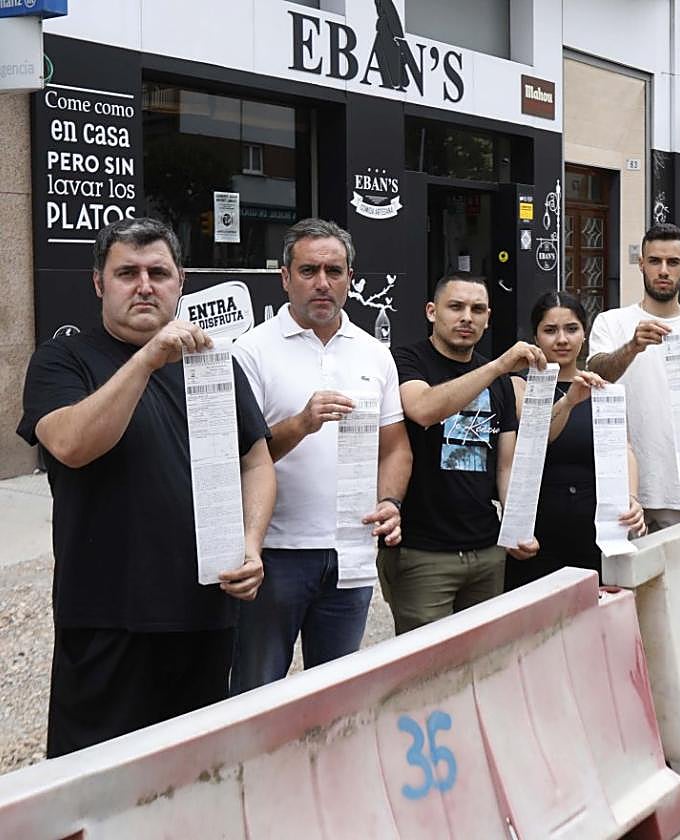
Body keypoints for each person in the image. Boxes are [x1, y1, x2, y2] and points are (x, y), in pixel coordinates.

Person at [17, 218, 274, 757]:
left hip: (205, 612)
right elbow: (70, 443)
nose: (144, 285)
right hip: (108, 619)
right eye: (126, 273)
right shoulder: (62, 360)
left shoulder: (215, 364)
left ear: (180, 282)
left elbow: (255, 461)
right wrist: (148, 357)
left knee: (191, 774)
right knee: (96, 782)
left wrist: (251, 543)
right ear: (98, 284)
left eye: (158, 272)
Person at [230, 219, 412, 693]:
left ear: (351, 277)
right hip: (276, 553)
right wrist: (300, 424)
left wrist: (390, 503)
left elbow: (394, 447)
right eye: (308, 270)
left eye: (334, 270)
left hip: (351, 553)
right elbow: (238, 459)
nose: (322, 283)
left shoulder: (375, 354)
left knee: (335, 694)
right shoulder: (251, 351)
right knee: (256, 689)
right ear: (284, 276)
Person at [378, 273, 541, 634]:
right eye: (456, 307)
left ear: (488, 318)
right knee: (425, 668)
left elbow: (506, 464)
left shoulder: (497, 381)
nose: (467, 317)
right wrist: (498, 366)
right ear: (432, 312)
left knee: (482, 662)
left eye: (477, 309)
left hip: (486, 548)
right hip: (422, 552)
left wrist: (517, 526)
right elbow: (422, 408)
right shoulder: (405, 360)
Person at [588, 223, 680, 532]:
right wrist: (632, 347)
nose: (663, 270)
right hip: (624, 485)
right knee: (623, 578)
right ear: (641, 264)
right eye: (655, 261)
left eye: (672, 262)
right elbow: (597, 376)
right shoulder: (611, 322)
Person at [504, 292, 646, 590]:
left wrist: (631, 499)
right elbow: (534, 440)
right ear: (536, 337)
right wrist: (568, 402)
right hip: (539, 527)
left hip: (593, 526)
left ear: (584, 334)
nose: (562, 339)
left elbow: (624, 449)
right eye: (550, 330)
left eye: (571, 329)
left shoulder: (602, 387)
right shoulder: (519, 385)